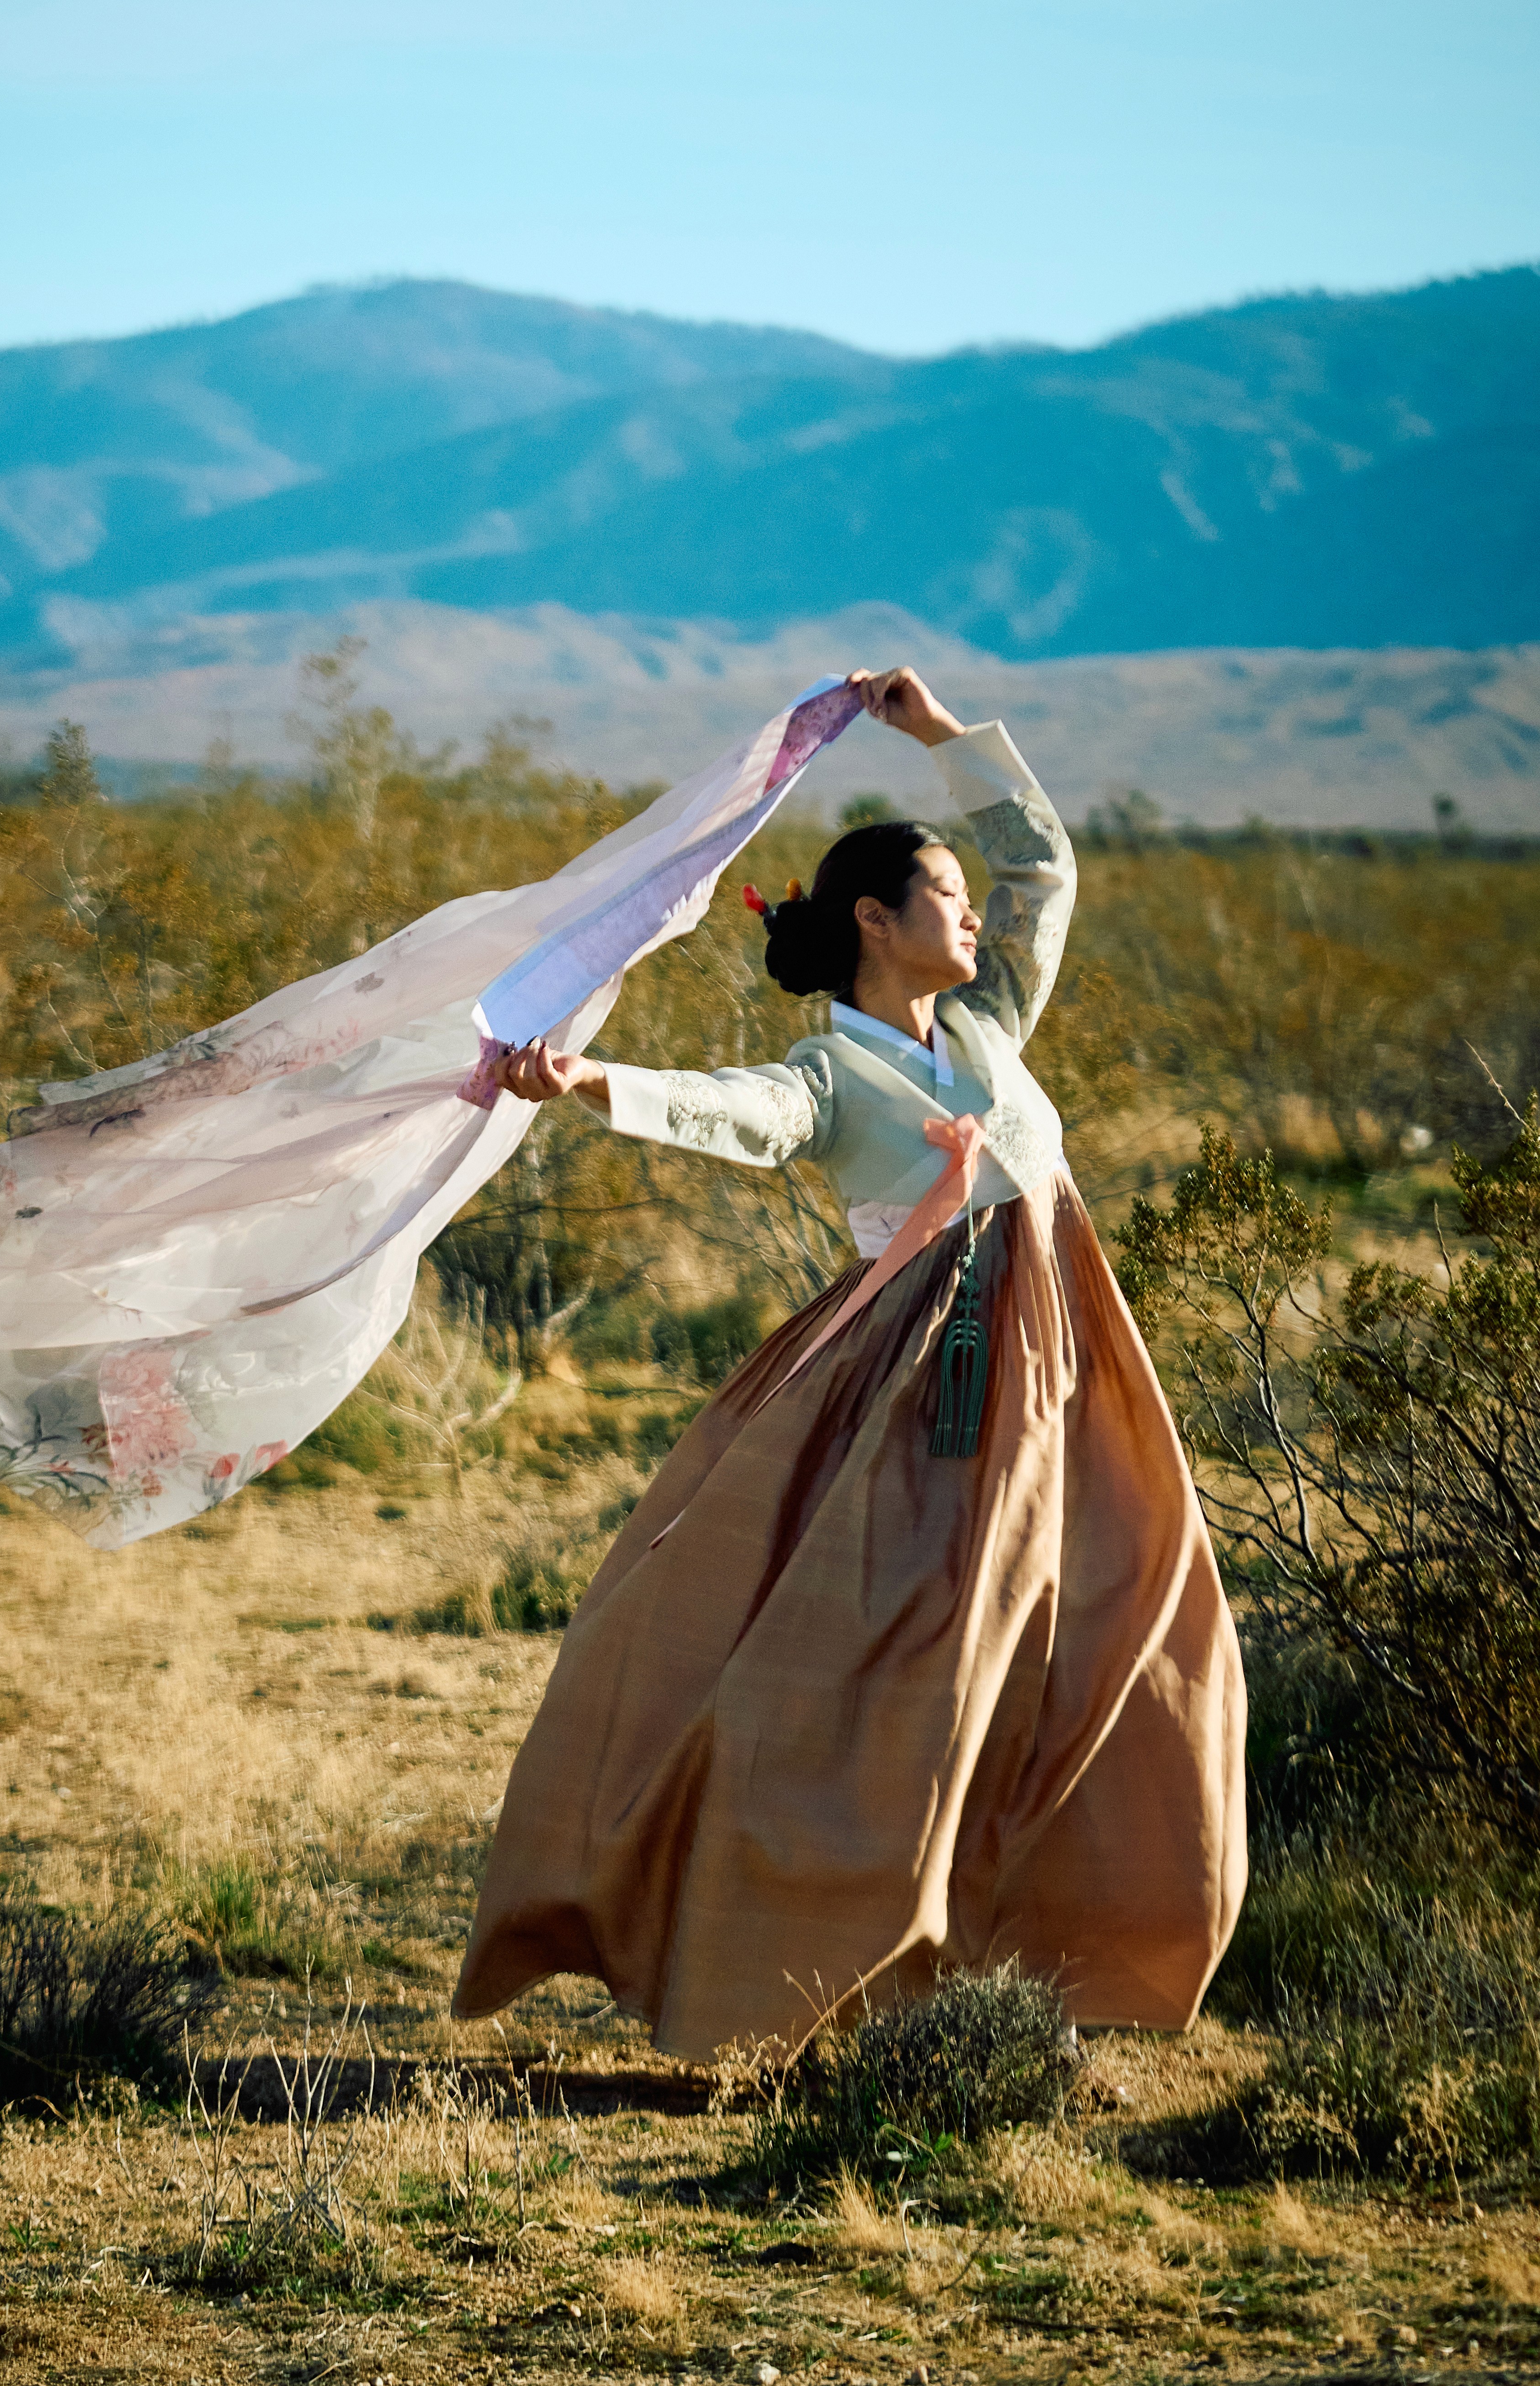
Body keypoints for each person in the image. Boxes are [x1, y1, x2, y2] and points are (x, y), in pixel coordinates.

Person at [451, 665, 1246, 2062]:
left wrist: (941, 740)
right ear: (875, 922)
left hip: (1065, 1360)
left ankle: (1043, 1962)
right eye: (943, 896)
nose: (973, 915)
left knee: (1118, 1638)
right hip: (919, 1379)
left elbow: (1042, 864)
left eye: (963, 897)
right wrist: (591, 1085)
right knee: (901, 1668)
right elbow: (734, 1112)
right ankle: (821, 1966)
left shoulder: (991, 1023)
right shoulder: (827, 1077)